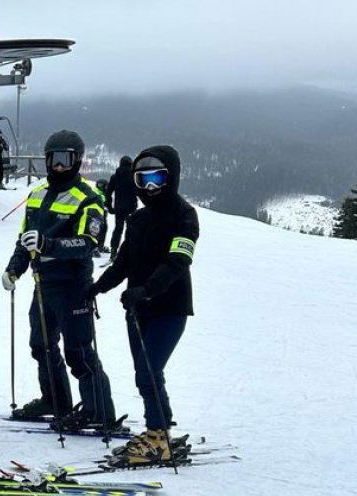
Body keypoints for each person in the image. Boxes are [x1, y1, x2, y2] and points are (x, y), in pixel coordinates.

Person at [88, 145, 199, 466]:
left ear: (171, 177)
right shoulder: (136, 219)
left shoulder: (184, 215)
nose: (149, 187)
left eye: (156, 178)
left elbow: (179, 260)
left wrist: (147, 290)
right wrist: (97, 287)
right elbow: (122, 263)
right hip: (137, 311)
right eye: (143, 179)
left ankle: (157, 432)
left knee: (150, 370)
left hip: (171, 308)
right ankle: (158, 431)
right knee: (145, 374)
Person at [1, 130, 117, 431]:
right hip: (43, 283)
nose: (58, 166)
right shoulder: (37, 195)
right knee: (41, 344)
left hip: (72, 284)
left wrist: (49, 244)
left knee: (77, 350)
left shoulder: (88, 199)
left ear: (77, 160)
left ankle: (99, 410)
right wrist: (15, 268)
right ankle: (55, 399)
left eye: (65, 159)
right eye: (53, 158)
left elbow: (89, 243)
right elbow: (26, 239)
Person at [105, 156, 138, 260]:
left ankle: (113, 252)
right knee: (131, 230)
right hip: (131, 208)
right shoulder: (134, 177)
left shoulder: (115, 177)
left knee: (118, 229)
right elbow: (139, 192)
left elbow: (108, 193)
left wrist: (109, 206)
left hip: (119, 207)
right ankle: (129, 252)